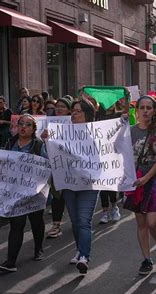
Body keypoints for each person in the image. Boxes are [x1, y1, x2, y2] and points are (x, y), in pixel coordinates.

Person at [125, 95, 156, 275]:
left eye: (149, 108)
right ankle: (146, 259)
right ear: (136, 111)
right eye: (142, 108)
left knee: (153, 223)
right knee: (141, 223)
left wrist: (147, 177)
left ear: (154, 111)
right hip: (137, 181)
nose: (145, 111)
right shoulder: (129, 130)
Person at [0, 114, 47, 272]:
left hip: (34, 193)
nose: (23, 127)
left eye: (28, 125)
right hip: (15, 192)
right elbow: (0, 161)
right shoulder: (9, 142)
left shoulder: (38, 145)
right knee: (16, 225)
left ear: (33, 129)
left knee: (36, 222)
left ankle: (38, 249)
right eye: (21, 124)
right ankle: (11, 261)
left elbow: (46, 165)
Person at [59, 99, 99, 274]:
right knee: (75, 222)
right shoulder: (63, 133)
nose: (73, 114)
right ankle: (79, 249)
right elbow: (53, 154)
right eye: (72, 111)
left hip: (89, 185)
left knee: (84, 221)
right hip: (69, 183)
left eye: (78, 111)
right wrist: (47, 140)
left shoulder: (97, 133)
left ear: (87, 115)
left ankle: (84, 256)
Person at [45, 96, 72, 239]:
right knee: (57, 196)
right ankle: (56, 225)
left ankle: (78, 222)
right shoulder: (49, 124)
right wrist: (44, 137)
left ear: (69, 110)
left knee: (72, 196)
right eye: (58, 106)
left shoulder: (75, 123)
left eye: (63, 106)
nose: (60, 108)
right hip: (57, 165)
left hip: (73, 167)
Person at [96, 102, 123, 224]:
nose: (110, 105)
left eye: (112, 102)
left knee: (111, 183)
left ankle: (114, 207)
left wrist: (127, 97)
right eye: (107, 102)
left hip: (113, 154)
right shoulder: (97, 116)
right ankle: (105, 211)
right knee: (102, 185)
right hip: (99, 154)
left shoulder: (119, 116)